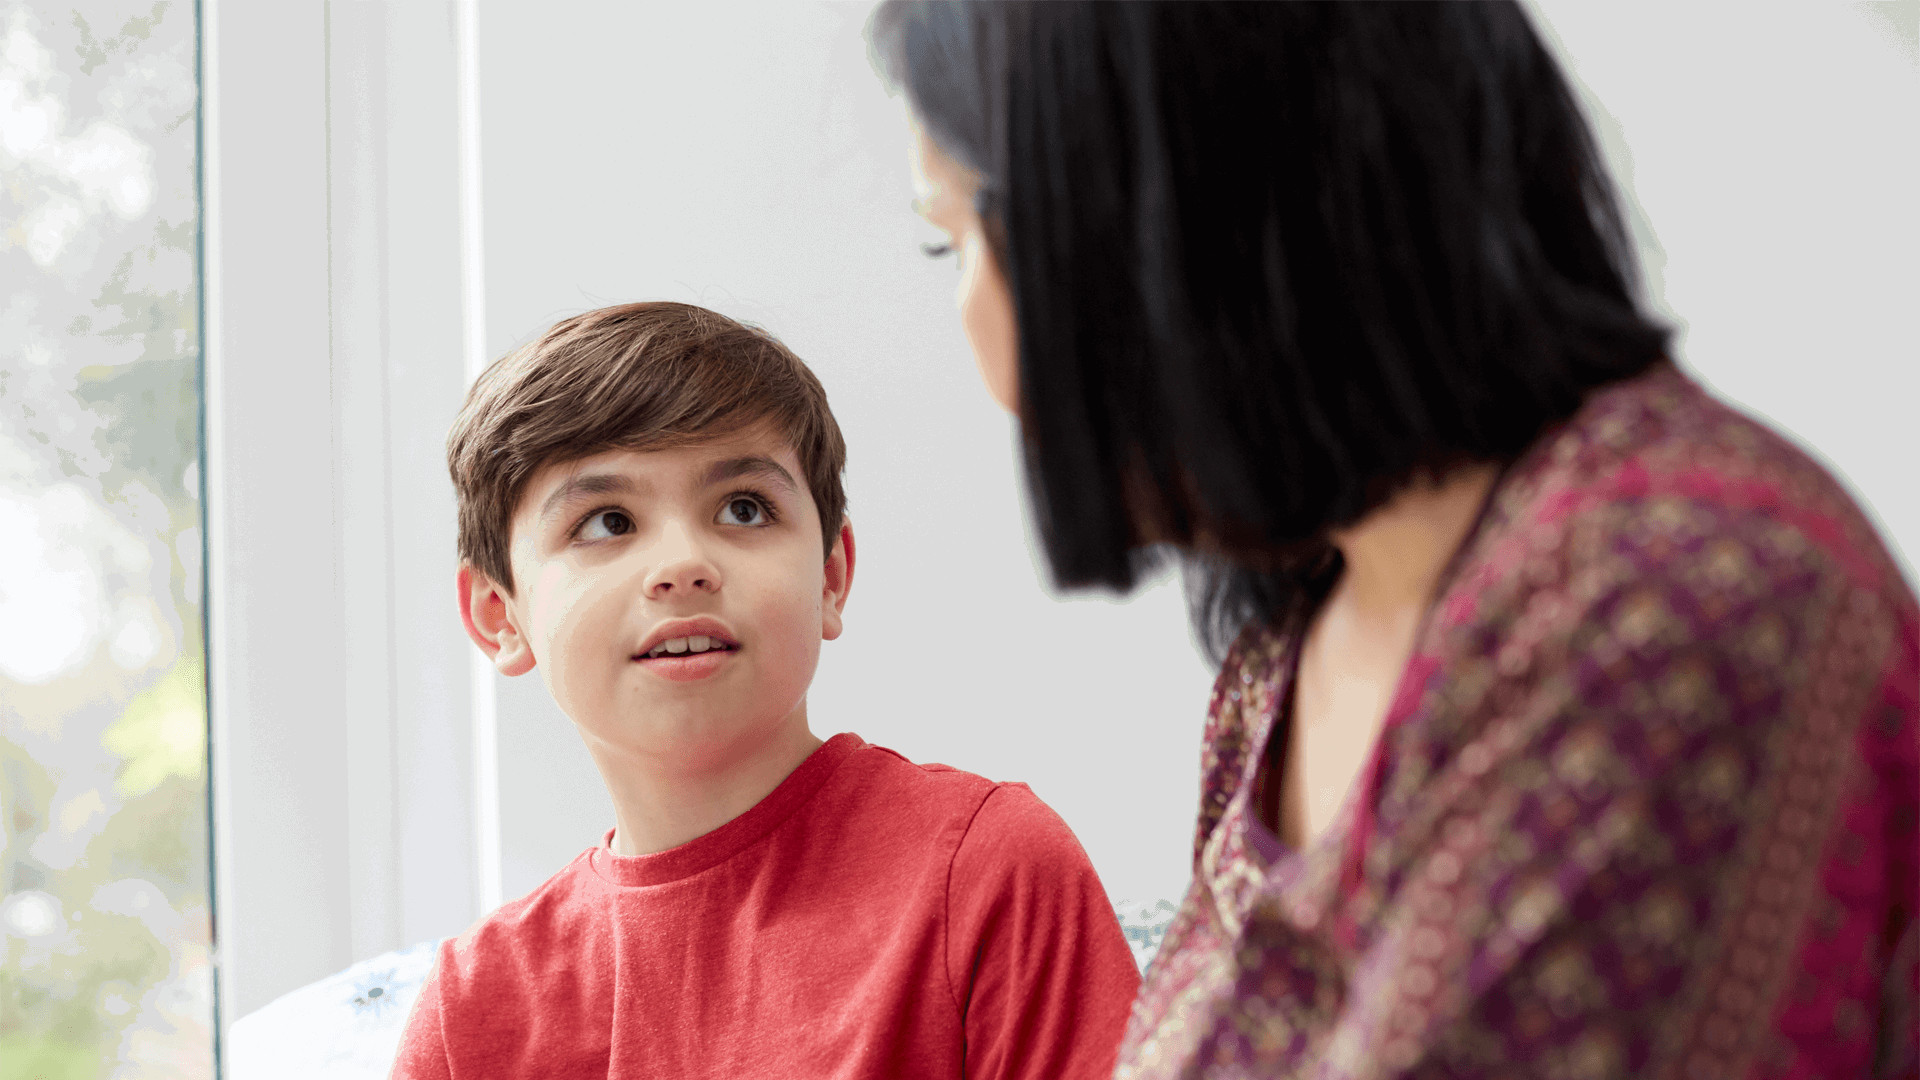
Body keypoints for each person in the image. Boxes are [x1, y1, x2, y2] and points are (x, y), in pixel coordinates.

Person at [872, 3, 1918, 1076]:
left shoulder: (1667, 602)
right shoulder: (1287, 644)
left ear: (1202, 202)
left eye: (979, 236)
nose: (981, 332)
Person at [390, 301, 1140, 1078]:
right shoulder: (471, 1011)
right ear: (497, 616)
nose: (682, 564)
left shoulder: (988, 871)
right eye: (607, 522)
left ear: (831, 577)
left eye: (743, 509)